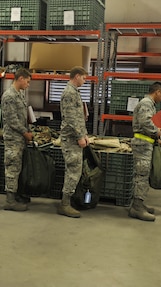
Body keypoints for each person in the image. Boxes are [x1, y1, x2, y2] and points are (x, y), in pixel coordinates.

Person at [129, 82, 161, 222]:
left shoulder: (149, 104)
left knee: (143, 175)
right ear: (157, 92)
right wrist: (156, 131)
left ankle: (139, 203)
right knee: (142, 175)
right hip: (142, 144)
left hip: (146, 143)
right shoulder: (146, 103)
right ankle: (136, 208)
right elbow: (145, 122)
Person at [58, 66, 89, 218]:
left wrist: (84, 134)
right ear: (77, 76)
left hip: (75, 138)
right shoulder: (69, 93)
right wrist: (79, 136)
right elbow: (70, 119)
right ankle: (65, 204)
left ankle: (68, 201)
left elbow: (79, 117)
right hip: (71, 140)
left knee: (75, 170)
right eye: (84, 78)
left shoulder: (74, 92)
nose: (85, 80)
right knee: (73, 171)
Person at [1, 68, 32, 211]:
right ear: (20, 78)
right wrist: (25, 132)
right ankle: (10, 200)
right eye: (27, 81)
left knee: (18, 168)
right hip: (13, 139)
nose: (28, 84)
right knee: (12, 168)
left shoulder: (19, 95)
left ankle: (17, 194)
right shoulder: (9, 96)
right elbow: (11, 120)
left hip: (20, 138)